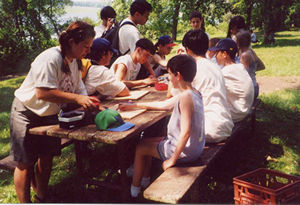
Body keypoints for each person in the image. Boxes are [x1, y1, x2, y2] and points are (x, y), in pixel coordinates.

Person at [10, 21, 99, 203]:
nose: (88, 51)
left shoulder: (75, 62)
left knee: (47, 157)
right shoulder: (50, 58)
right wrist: (77, 99)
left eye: (89, 47)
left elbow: (78, 88)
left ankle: (42, 196)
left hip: (48, 114)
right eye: (85, 47)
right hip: (27, 111)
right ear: (72, 41)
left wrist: (88, 102)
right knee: (25, 163)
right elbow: (42, 92)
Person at [118, 54, 205, 198]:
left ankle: (134, 190)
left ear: (178, 75)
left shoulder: (185, 97)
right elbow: (163, 106)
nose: (168, 78)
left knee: (140, 148)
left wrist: (172, 160)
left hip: (186, 152)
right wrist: (135, 105)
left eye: (170, 74)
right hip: (195, 147)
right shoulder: (193, 93)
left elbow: (186, 132)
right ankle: (145, 180)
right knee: (147, 141)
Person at [171, 30, 233, 143]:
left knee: (169, 127)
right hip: (225, 124)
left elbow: (173, 97)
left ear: (187, 50)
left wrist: (175, 65)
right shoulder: (215, 67)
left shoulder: (192, 69)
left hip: (209, 128)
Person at [209, 38, 254, 123]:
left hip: (237, 113)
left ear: (225, 54)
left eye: (217, 53)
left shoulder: (227, 72)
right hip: (243, 109)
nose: (215, 56)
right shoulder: (239, 67)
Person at [118, 0, 155, 77]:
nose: (147, 19)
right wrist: (152, 73)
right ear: (137, 14)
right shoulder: (132, 32)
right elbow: (140, 54)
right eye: (146, 16)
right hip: (128, 70)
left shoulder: (123, 23)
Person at [236, 30, 265, 100]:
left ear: (238, 42)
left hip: (249, 89)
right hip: (254, 85)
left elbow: (244, 74)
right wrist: (252, 70)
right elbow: (262, 66)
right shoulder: (250, 51)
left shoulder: (245, 55)